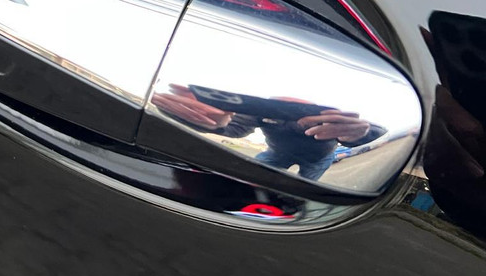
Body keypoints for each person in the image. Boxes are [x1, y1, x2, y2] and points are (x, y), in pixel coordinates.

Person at [152, 84, 385, 181]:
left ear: (313, 105)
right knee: (245, 178)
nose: (290, 110)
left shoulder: (328, 116)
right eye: (281, 106)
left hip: (319, 158)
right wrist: (217, 125)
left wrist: (361, 134)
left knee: (304, 191)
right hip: (276, 154)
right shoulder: (259, 112)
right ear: (268, 103)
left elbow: (373, 133)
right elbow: (234, 127)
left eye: (301, 107)